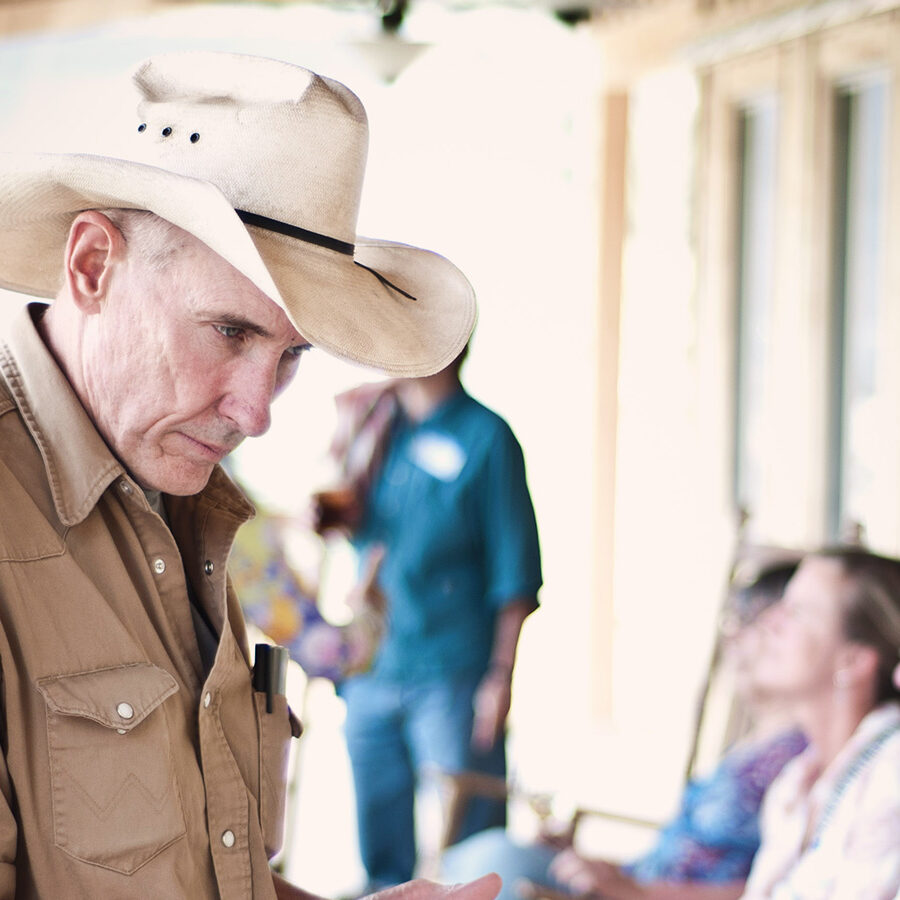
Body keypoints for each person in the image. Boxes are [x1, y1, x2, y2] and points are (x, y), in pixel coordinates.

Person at [0, 49, 502, 900]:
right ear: (92, 267)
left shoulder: (205, 516)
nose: (257, 410)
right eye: (228, 333)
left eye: (291, 355)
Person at [312, 345, 542, 890]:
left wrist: (499, 676)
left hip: (451, 668)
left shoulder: (487, 437)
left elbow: (516, 572)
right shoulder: (375, 423)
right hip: (374, 665)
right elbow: (347, 517)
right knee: (381, 853)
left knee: (468, 846)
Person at [440, 561, 807, 900]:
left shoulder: (804, 759)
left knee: (491, 871)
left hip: (645, 894)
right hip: (637, 883)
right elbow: (680, 854)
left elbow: (773, 888)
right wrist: (603, 867)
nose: (734, 640)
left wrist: (632, 888)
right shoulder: (759, 744)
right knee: (486, 860)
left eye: (752, 622)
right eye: (735, 622)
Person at [737, 547, 900, 899]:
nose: (769, 621)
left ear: (854, 660)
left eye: (796, 611)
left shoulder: (890, 772)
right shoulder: (795, 785)